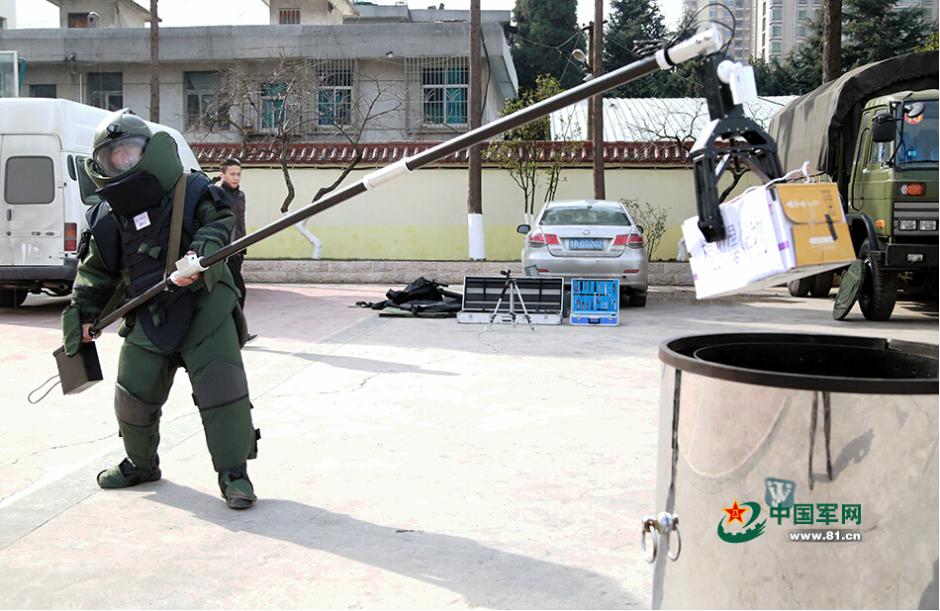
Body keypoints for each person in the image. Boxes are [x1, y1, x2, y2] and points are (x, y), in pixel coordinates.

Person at [61, 109, 260, 509]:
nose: (123, 162)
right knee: (132, 395)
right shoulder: (105, 214)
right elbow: (96, 271)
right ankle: (140, 463)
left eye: (130, 152)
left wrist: (198, 257)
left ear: (148, 151)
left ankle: (234, 474)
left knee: (224, 393)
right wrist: (83, 312)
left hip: (205, 309)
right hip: (147, 316)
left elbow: (219, 223)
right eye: (112, 157)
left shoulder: (196, 190)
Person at [218, 157, 257, 342]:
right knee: (238, 290)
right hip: (223, 251)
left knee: (234, 290)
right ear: (222, 174)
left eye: (238, 174)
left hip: (238, 249)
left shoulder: (241, 195)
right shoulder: (216, 193)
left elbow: (241, 222)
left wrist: (243, 246)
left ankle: (233, 331)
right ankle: (235, 332)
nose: (236, 178)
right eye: (232, 174)